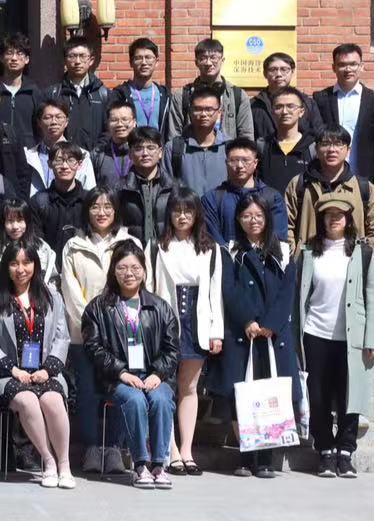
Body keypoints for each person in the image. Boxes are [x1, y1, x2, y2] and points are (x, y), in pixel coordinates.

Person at [297, 197, 374, 479]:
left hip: (352, 337)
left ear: (348, 219)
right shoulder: (309, 252)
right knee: (319, 396)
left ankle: (345, 452)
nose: (334, 219)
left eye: (340, 214)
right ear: (321, 220)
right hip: (315, 332)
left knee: (350, 395)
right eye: (328, 215)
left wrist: (373, 338)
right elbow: (299, 294)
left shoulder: (362, 253)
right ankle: (325, 450)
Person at [82, 242, 181, 489]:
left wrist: (158, 373)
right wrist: (121, 372)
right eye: (122, 267)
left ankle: (159, 465)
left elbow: (172, 349)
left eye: (135, 268)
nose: (129, 273)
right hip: (117, 378)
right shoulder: (98, 308)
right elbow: (94, 348)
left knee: (161, 399)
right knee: (135, 400)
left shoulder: (160, 307)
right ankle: (140, 465)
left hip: (153, 376)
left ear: (144, 271)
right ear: (113, 271)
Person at [0, 241, 76, 489]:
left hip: (45, 372)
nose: (21, 269)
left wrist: (48, 370)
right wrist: (13, 370)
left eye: (27, 262)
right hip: (8, 374)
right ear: (6, 267)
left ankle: (65, 464)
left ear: (36, 264)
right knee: (28, 400)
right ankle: (48, 461)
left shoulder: (51, 296)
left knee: (53, 400)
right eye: (14, 263)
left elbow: (62, 338)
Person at [222, 194, 300, 478]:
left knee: (271, 396)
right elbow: (229, 289)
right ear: (238, 220)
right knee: (242, 397)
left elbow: (287, 291)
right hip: (244, 335)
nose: (252, 221)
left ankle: (266, 458)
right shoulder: (231, 251)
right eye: (246, 216)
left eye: (258, 215)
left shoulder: (282, 251)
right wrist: (248, 320)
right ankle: (245, 456)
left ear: (267, 218)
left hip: (273, 336)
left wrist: (270, 324)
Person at [61, 186, 137, 473]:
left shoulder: (129, 242)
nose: (101, 212)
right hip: (84, 334)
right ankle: (92, 448)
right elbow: (70, 290)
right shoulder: (73, 245)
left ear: (116, 210)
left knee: (119, 389)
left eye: (107, 206)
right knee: (87, 392)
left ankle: (115, 447)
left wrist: (117, 325)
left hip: (122, 333)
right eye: (95, 206)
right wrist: (91, 325)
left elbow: (137, 283)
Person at [151, 193, 225, 476]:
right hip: (166, 321)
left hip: (197, 320)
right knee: (165, 386)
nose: (182, 217)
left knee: (189, 387)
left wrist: (216, 332)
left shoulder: (210, 249)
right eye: (177, 211)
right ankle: (169, 450)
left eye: (188, 211)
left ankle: (186, 451)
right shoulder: (157, 246)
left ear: (197, 215)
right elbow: (151, 287)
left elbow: (215, 292)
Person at [284, 127, 374, 275]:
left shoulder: (364, 188)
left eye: (339, 144)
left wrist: (364, 261)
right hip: (308, 268)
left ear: (348, 150)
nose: (332, 149)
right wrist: (294, 259)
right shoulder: (299, 185)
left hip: (350, 268)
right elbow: (285, 225)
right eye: (325, 143)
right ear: (316, 149)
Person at [201, 137, 289, 246]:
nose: (240, 166)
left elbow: (277, 237)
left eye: (245, 160)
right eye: (234, 160)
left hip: (264, 256)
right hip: (225, 256)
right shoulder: (212, 199)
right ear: (226, 163)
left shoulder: (273, 197)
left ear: (255, 163)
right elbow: (213, 239)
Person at [114, 127, 178, 247]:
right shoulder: (120, 189)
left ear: (160, 152)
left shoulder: (173, 188)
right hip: (132, 252)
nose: (145, 153)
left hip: (166, 251)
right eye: (138, 148)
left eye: (151, 148)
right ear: (130, 154)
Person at [109, 37, 181, 142]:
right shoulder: (120, 94)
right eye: (138, 58)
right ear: (131, 62)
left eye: (148, 57)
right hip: (131, 150)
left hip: (158, 150)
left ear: (156, 62)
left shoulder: (165, 95)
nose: (144, 62)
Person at [167, 85, 232, 198]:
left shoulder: (229, 148)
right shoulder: (174, 148)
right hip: (186, 209)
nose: (203, 114)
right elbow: (166, 189)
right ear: (190, 111)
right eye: (198, 109)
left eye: (209, 109)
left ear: (219, 112)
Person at [251, 51, 326, 147]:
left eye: (284, 69)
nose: (279, 74)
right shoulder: (254, 105)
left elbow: (318, 134)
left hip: (301, 154)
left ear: (292, 72)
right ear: (265, 73)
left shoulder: (307, 102)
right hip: (265, 154)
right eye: (273, 70)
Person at [31, 144, 97, 249]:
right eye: (59, 160)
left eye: (70, 160)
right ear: (49, 164)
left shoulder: (90, 201)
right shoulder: (39, 202)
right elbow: (36, 244)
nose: (64, 166)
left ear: (79, 164)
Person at [22, 100, 96, 194]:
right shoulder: (28, 156)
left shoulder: (82, 155)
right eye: (48, 117)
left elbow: (89, 192)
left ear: (66, 122)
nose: (53, 122)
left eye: (59, 117)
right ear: (39, 122)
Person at [188, 38, 255, 140]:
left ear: (222, 60)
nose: (208, 63)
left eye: (213, 58)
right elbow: (175, 136)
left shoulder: (238, 96)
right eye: (203, 58)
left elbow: (246, 136)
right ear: (196, 62)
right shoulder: (183, 96)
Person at [258, 87, 318, 196]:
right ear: (272, 112)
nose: (285, 111)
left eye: (291, 106)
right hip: (269, 206)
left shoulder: (312, 147)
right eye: (279, 107)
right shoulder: (262, 146)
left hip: (302, 206)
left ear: (301, 112)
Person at [56, 37, 111, 151]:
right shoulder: (55, 93)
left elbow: (109, 129)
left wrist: (96, 153)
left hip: (95, 157)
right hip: (63, 157)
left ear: (91, 60)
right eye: (72, 56)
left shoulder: (103, 94)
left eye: (82, 56)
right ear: (65, 60)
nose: (77, 61)